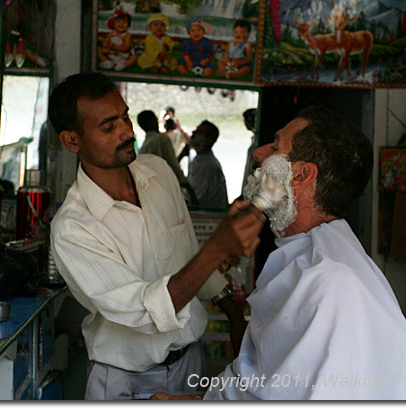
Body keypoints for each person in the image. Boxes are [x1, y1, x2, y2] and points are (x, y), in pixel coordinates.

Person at [152, 105, 406, 400]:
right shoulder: (307, 257)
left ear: (301, 175)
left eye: (275, 146)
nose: (258, 154)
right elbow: (268, 383)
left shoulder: (328, 278)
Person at [47, 72, 265, 400]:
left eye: (125, 117)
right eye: (109, 126)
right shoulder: (73, 228)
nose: (126, 131)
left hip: (190, 362)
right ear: (72, 141)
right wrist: (219, 246)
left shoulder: (158, 172)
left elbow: (187, 257)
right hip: (125, 380)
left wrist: (234, 313)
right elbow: (146, 312)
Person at [137, 109, 198, 205]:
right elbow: (172, 166)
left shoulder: (144, 146)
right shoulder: (161, 139)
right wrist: (188, 187)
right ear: (156, 121)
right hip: (165, 189)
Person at [187, 120, 228, 209]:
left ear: (209, 140)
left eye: (199, 132)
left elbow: (196, 198)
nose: (193, 133)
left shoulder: (208, 164)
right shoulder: (199, 159)